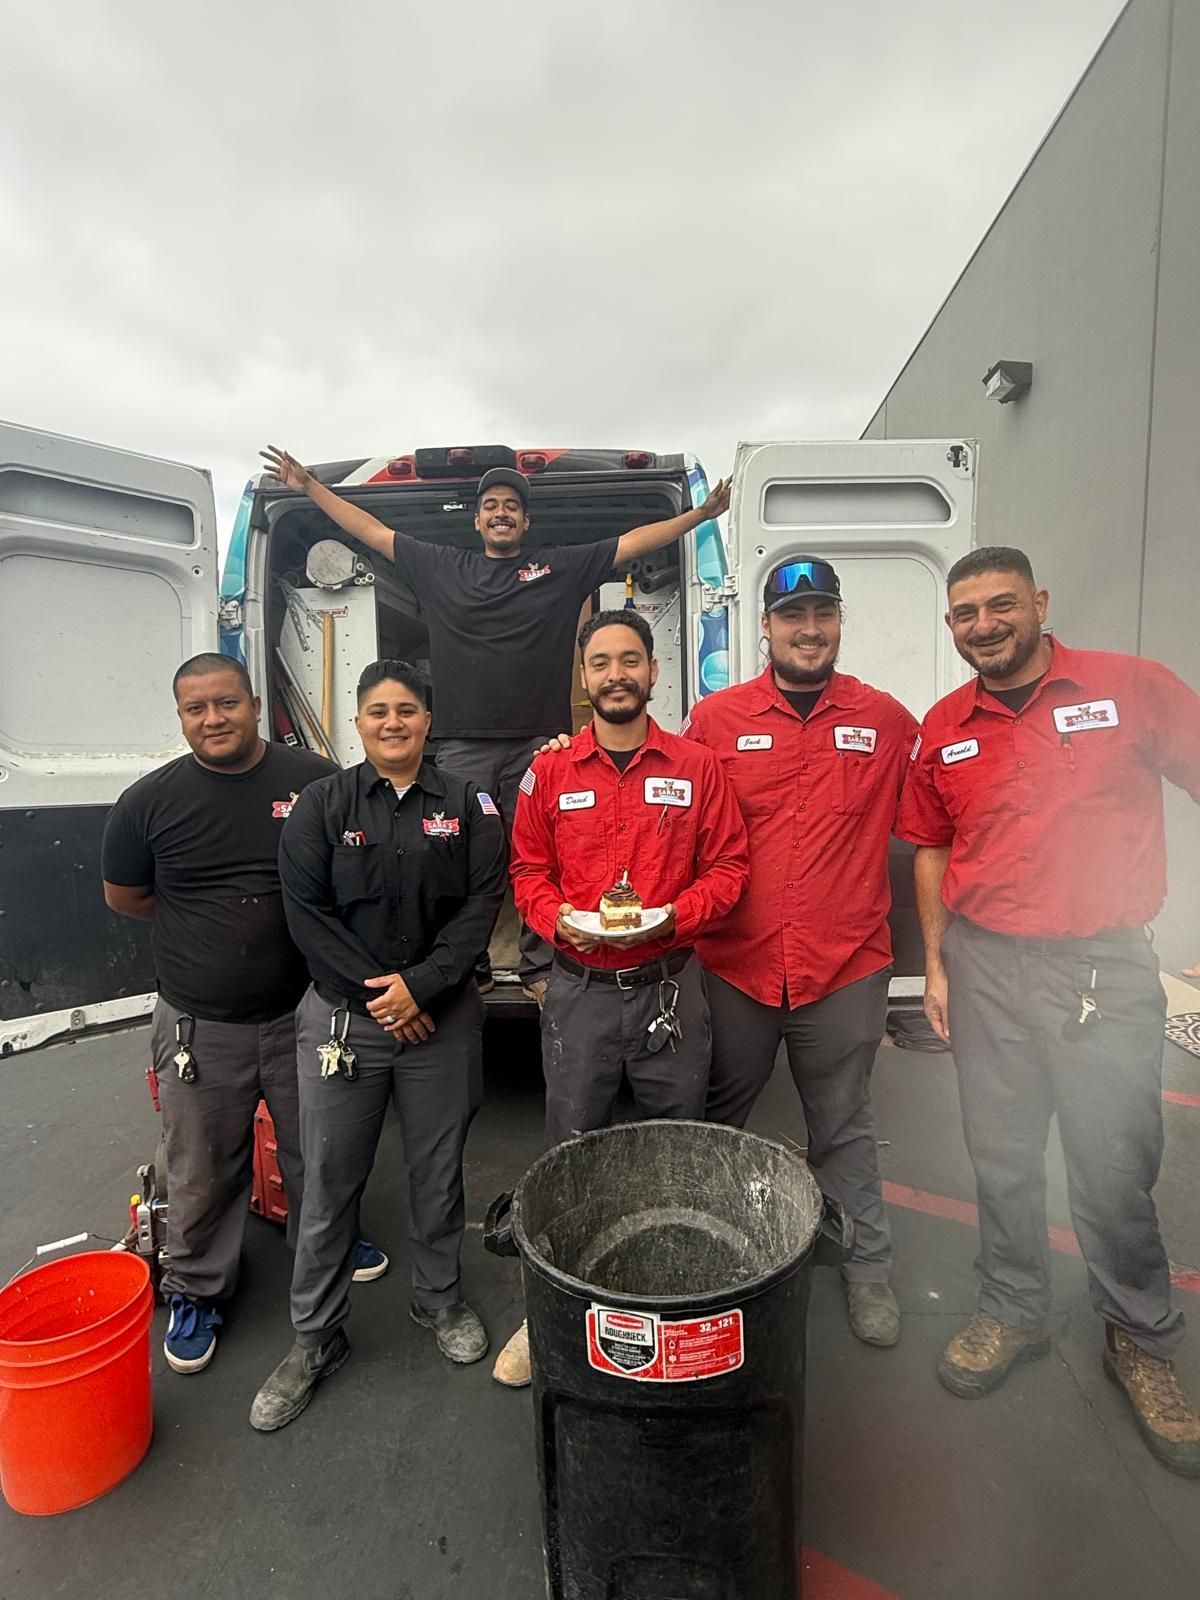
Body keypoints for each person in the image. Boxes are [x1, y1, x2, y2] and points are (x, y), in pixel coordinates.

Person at [898, 546, 1200, 1476]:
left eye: (999, 606)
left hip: (1104, 965)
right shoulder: (944, 727)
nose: (983, 627)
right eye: (964, 616)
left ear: (1039, 601)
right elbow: (933, 853)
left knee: (1112, 1161)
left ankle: (1139, 1337)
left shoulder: (1132, 687)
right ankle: (1014, 1309)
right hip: (987, 966)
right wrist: (941, 967)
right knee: (1002, 1149)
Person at [259, 446, 729, 1002]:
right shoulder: (440, 565)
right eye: (491, 505)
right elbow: (372, 531)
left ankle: (536, 966)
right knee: (457, 857)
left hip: (540, 745)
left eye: (511, 506)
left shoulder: (558, 567)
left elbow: (632, 542)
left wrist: (698, 516)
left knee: (544, 857)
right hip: (462, 748)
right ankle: (470, 964)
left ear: (525, 521)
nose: (501, 513)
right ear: (476, 518)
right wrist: (310, 487)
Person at [101, 654, 388, 1377]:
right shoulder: (148, 802)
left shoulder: (314, 780)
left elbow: (348, 875)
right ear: (181, 717)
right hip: (201, 1023)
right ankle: (197, 1288)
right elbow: (126, 898)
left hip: (307, 1013)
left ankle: (328, 1238)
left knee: (318, 1146)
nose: (212, 719)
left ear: (255, 705)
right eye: (195, 709)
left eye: (225, 703)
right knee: (201, 1167)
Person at [491, 609, 750, 1386]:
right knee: (571, 1153)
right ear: (583, 676)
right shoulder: (550, 773)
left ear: (652, 672)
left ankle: (672, 1303)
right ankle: (552, 1315)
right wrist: (553, 917)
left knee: (676, 1146)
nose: (615, 674)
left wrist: (679, 915)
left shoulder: (699, 768)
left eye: (629, 659)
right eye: (600, 661)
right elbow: (527, 872)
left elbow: (731, 869)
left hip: (671, 989)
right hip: (580, 996)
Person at [250, 659, 507, 1431]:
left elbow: (481, 905)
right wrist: (386, 998)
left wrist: (421, 988)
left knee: (437, 1172)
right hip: (346, 1025)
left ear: (429, 723)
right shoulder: (320, 806)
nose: (392, 723)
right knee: (327, 1184)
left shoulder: (470, 806)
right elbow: (307, 915)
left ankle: (439, 1301)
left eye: (407, 711)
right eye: (377, 712)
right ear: (357, 723)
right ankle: (315, 1338)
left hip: (441, 1021)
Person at [684, 557, 919, 1348]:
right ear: (766, 626)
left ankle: (868, 1272)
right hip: (735, 965)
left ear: (840, 622)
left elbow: (938, 822)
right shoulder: (715, 721)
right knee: (717, 1122)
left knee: (844, 1127)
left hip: (844, 965)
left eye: (822, 613)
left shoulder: (888, 722)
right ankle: (702, 1261)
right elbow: (674, 820)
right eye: (792, 615)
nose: (808, 628)